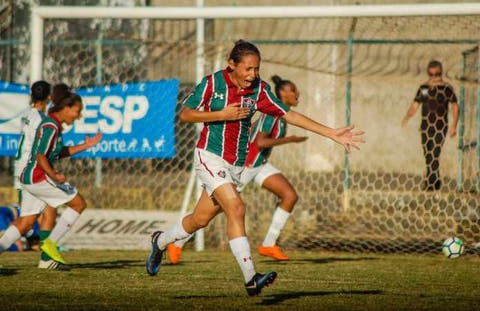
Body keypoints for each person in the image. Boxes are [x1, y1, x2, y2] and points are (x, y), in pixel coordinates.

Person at [146, 40, 364, 296]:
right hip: (209, 156)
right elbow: (185, 114)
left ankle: (159, 241)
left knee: (200, 219)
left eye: (256, 69)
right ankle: (251, 278)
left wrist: (330, 133)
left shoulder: (259, 90)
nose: (252, 75)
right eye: (247, 69)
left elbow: (288, 114)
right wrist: (221, 115)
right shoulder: (213, 84)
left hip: (236, 165)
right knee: (237, 208)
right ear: (232, 65)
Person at [166, 75, 308, 263]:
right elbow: (261, 141)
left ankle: (269, 244)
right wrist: (289, 140)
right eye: (293, 90)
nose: (297, 94)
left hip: (260, 164)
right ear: (282, 93)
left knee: (289, 195)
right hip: (248, 164)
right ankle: (177, 242)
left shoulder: (279, 114)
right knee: (213, 210)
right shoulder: (272, 116)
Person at [0, 91, 102, 268]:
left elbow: (58, 152)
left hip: (30, 177)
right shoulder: (51, 126)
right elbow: (40, 156)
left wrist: (86, 145)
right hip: (38, 177)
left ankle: (45, 260)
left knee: (26, 221)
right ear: (66, 108)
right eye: (77, 111)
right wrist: (54, 176)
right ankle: (50, 245)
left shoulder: (53, 124)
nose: (79, 116)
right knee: (78, 203)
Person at [13, 81, 72, 269]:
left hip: (21, 166)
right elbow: (40, 152)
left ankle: (47, 254)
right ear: (48, 97)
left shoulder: (27, 115)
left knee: (34, 217)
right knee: (28, 220)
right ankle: (47, 255)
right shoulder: (42, 120)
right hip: (32, 169)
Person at [402, 60, 459, 191]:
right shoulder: (424, 89)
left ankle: (431, 184)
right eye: (431, 74)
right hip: (426, 127)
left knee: (434, 153)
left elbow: (455, 106)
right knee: (428, 154)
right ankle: (434, 180)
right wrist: (407, 117)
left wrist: (454, 125)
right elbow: (415, 105)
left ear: (441, 73)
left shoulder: (446, 88)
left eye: (437, 74)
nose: (434, 77)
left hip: (440, 126)